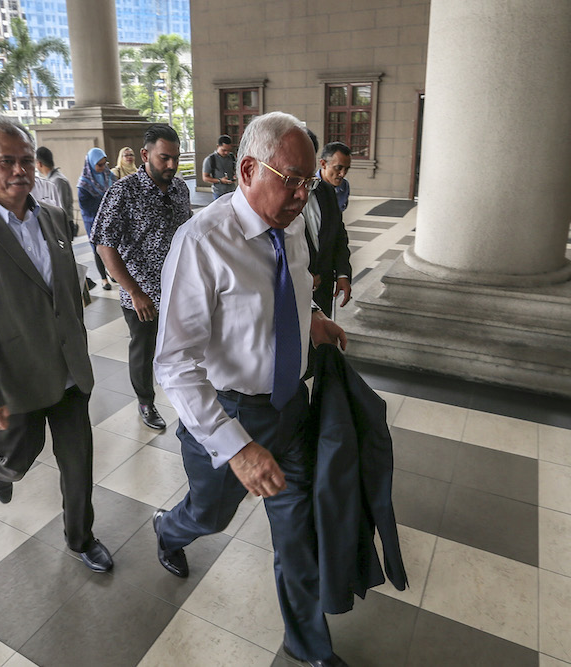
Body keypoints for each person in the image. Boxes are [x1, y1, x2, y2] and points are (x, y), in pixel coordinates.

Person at [152, 112, 349, 667]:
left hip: (292, 409)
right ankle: (169, 530)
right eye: (291, 179)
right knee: (210, 517)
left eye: (308, 181)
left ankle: (308, 647)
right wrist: (236, 447)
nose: (302, 194)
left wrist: (312, 317)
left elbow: (281, 291)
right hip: (229, 413)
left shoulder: (290, 224)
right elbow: (175, 363)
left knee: (297, 534)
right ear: (245, 169)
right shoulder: (202, 243)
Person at [0, 118, 112, 574]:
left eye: (26, 160)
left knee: (78, 461)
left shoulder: (51, 217)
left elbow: (62, 287)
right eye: (5, 161)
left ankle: (81, 537)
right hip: (14, 377)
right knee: (20, 455)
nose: (18, 170)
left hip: (68, 368)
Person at [92, 124, 192, 432]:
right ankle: (146, 401)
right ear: (146, 154)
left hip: (177, 288)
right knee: (144, 348)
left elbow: (188, 234)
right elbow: (104, 244)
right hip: (141, 294)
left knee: (181, 346)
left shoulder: (180, 189)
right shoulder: (122, 192)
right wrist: (135, 292)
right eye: (165, 158)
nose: (172, 165)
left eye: (175, 158)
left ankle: (187, 397)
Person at [304, 131, 352, 318]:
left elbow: (338, 236)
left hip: (324, 289)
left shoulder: (328, 192)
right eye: (338, 168)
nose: (342, 174)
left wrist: (342, 274)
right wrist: (301, 278)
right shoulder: (275, 199)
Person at [78, 147, 114, 290]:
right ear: (91, 164)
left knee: (113, 248)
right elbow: (86, 206)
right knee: (98, 249)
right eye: (99, 165)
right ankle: (104, 279)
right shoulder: (84, 184)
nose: (102, 167)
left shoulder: (109, 175)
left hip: (110, 220)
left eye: (104, 164)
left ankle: (112, 272)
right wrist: (105, 201)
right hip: (93, 221)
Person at [35, 146, 78, 237]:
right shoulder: (50, 180)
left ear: (39, 163)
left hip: (61, 226)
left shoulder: (57, 181)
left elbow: (60, 209)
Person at [318, 141, 352, 212]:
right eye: (338, 168)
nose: (342, 174)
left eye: (346, 169)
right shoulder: (309, 188)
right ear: (323, 164)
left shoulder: (344, 186)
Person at [201, 134, 237, 200]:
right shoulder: (210, 159)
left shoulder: (232, 156)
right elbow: (205, 178)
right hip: (219, 192)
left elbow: (234, 169)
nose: (226, 152)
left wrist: (235, 175)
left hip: (232, 191)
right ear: (218, 146)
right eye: (224, 150)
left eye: (229, 150)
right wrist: (220, 181)